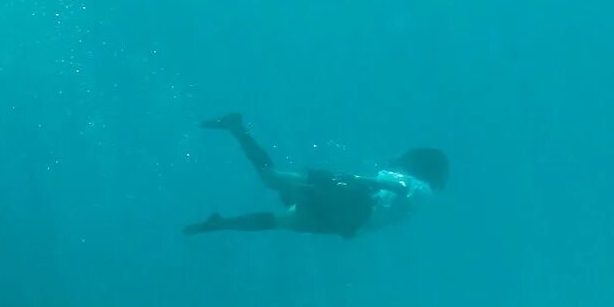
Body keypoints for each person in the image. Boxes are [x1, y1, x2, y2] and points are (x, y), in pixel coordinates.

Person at [185, 113, 447, 239]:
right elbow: (396, 193)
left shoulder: (420, 188)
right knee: (279, 205)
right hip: (351, 210)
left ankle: (237, 129)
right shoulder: (419, 192)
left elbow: (399, 187)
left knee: (273, 183)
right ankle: (220, 224)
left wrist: (360, 180)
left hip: (352, 203)